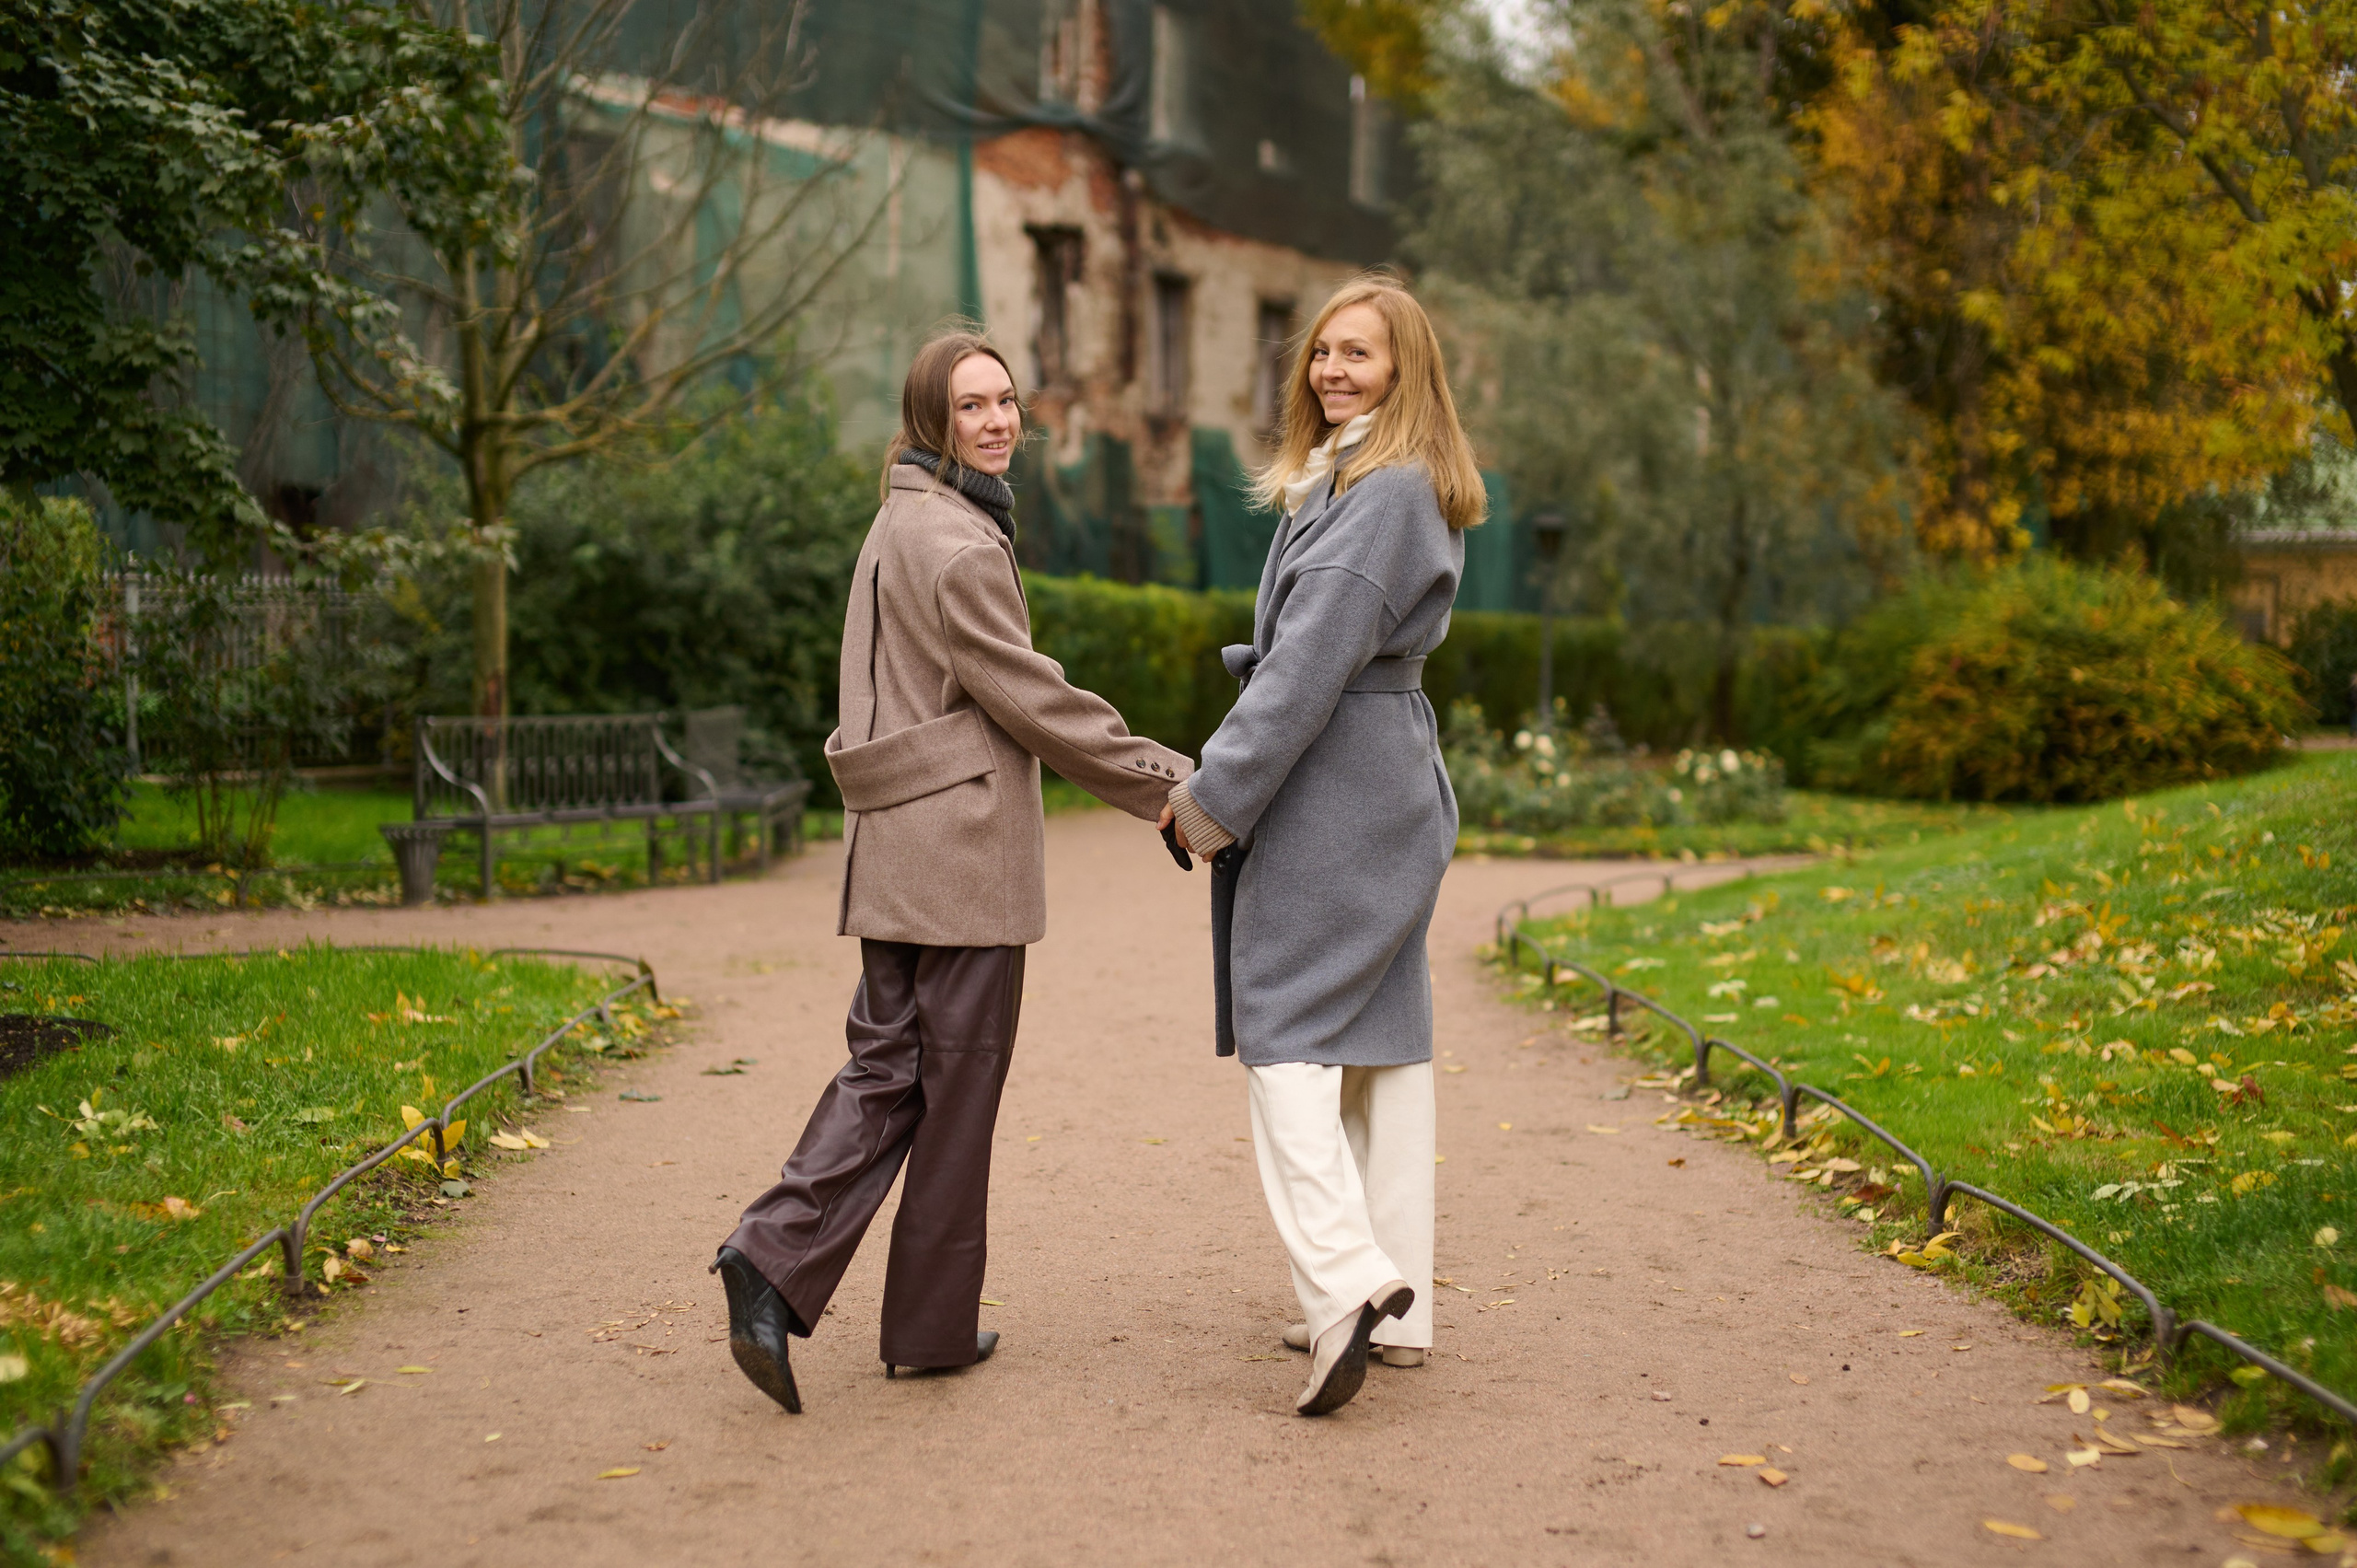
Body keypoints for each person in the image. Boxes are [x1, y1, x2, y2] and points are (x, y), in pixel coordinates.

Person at [714, 327, 1194, 1413]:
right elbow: (1032, 697)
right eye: (971, 405)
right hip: (962, 851)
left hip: (893, 840)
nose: (997, 421)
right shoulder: (960, 543)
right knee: (958, 1085)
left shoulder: (900, 518)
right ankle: (821, 1276)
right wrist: (1171, 783)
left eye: (1006, 401)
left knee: (887, 1067)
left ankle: (795, 1267)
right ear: (929, 419)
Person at [1158, 273, 1486, 1416]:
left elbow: (1301, 671)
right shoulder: (1351, 479)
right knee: (1376, 1037)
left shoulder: (1381, 491)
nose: (1333, 369)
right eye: (1322, 351)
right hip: (1374, 781)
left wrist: (1211, 798)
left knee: (1283, 1026)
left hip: (1340, 789)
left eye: (1360, 353)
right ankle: (1397, 1301)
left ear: (1405, 371)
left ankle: (1348, 1283)